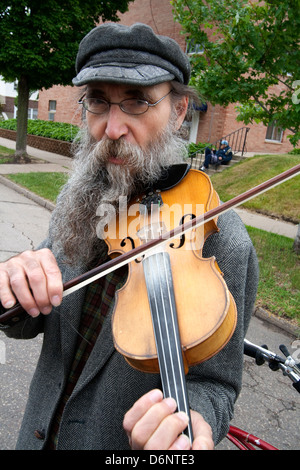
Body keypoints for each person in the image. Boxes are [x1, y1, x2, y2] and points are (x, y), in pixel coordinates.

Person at [0, 23, 259, 450]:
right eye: (99, 101)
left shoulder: (222, 241)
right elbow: (35, 317)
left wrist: (195, 424)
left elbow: (216, 386)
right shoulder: (81, 200)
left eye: (137, 102)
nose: (112, 127)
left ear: (178, 112)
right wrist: (14, 290)